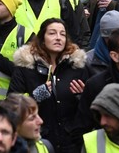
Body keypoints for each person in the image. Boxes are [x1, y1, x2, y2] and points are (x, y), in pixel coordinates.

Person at [9, 17, 90, 153]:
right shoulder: (26, 67)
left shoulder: (77, 67)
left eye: (62, 34)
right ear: (42, 38)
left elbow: (91, 110)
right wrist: (35, 97)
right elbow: (12, 104)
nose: (58, 38)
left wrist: (83, 97)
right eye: (52, 33)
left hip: (71, 142)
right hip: (38, 141)